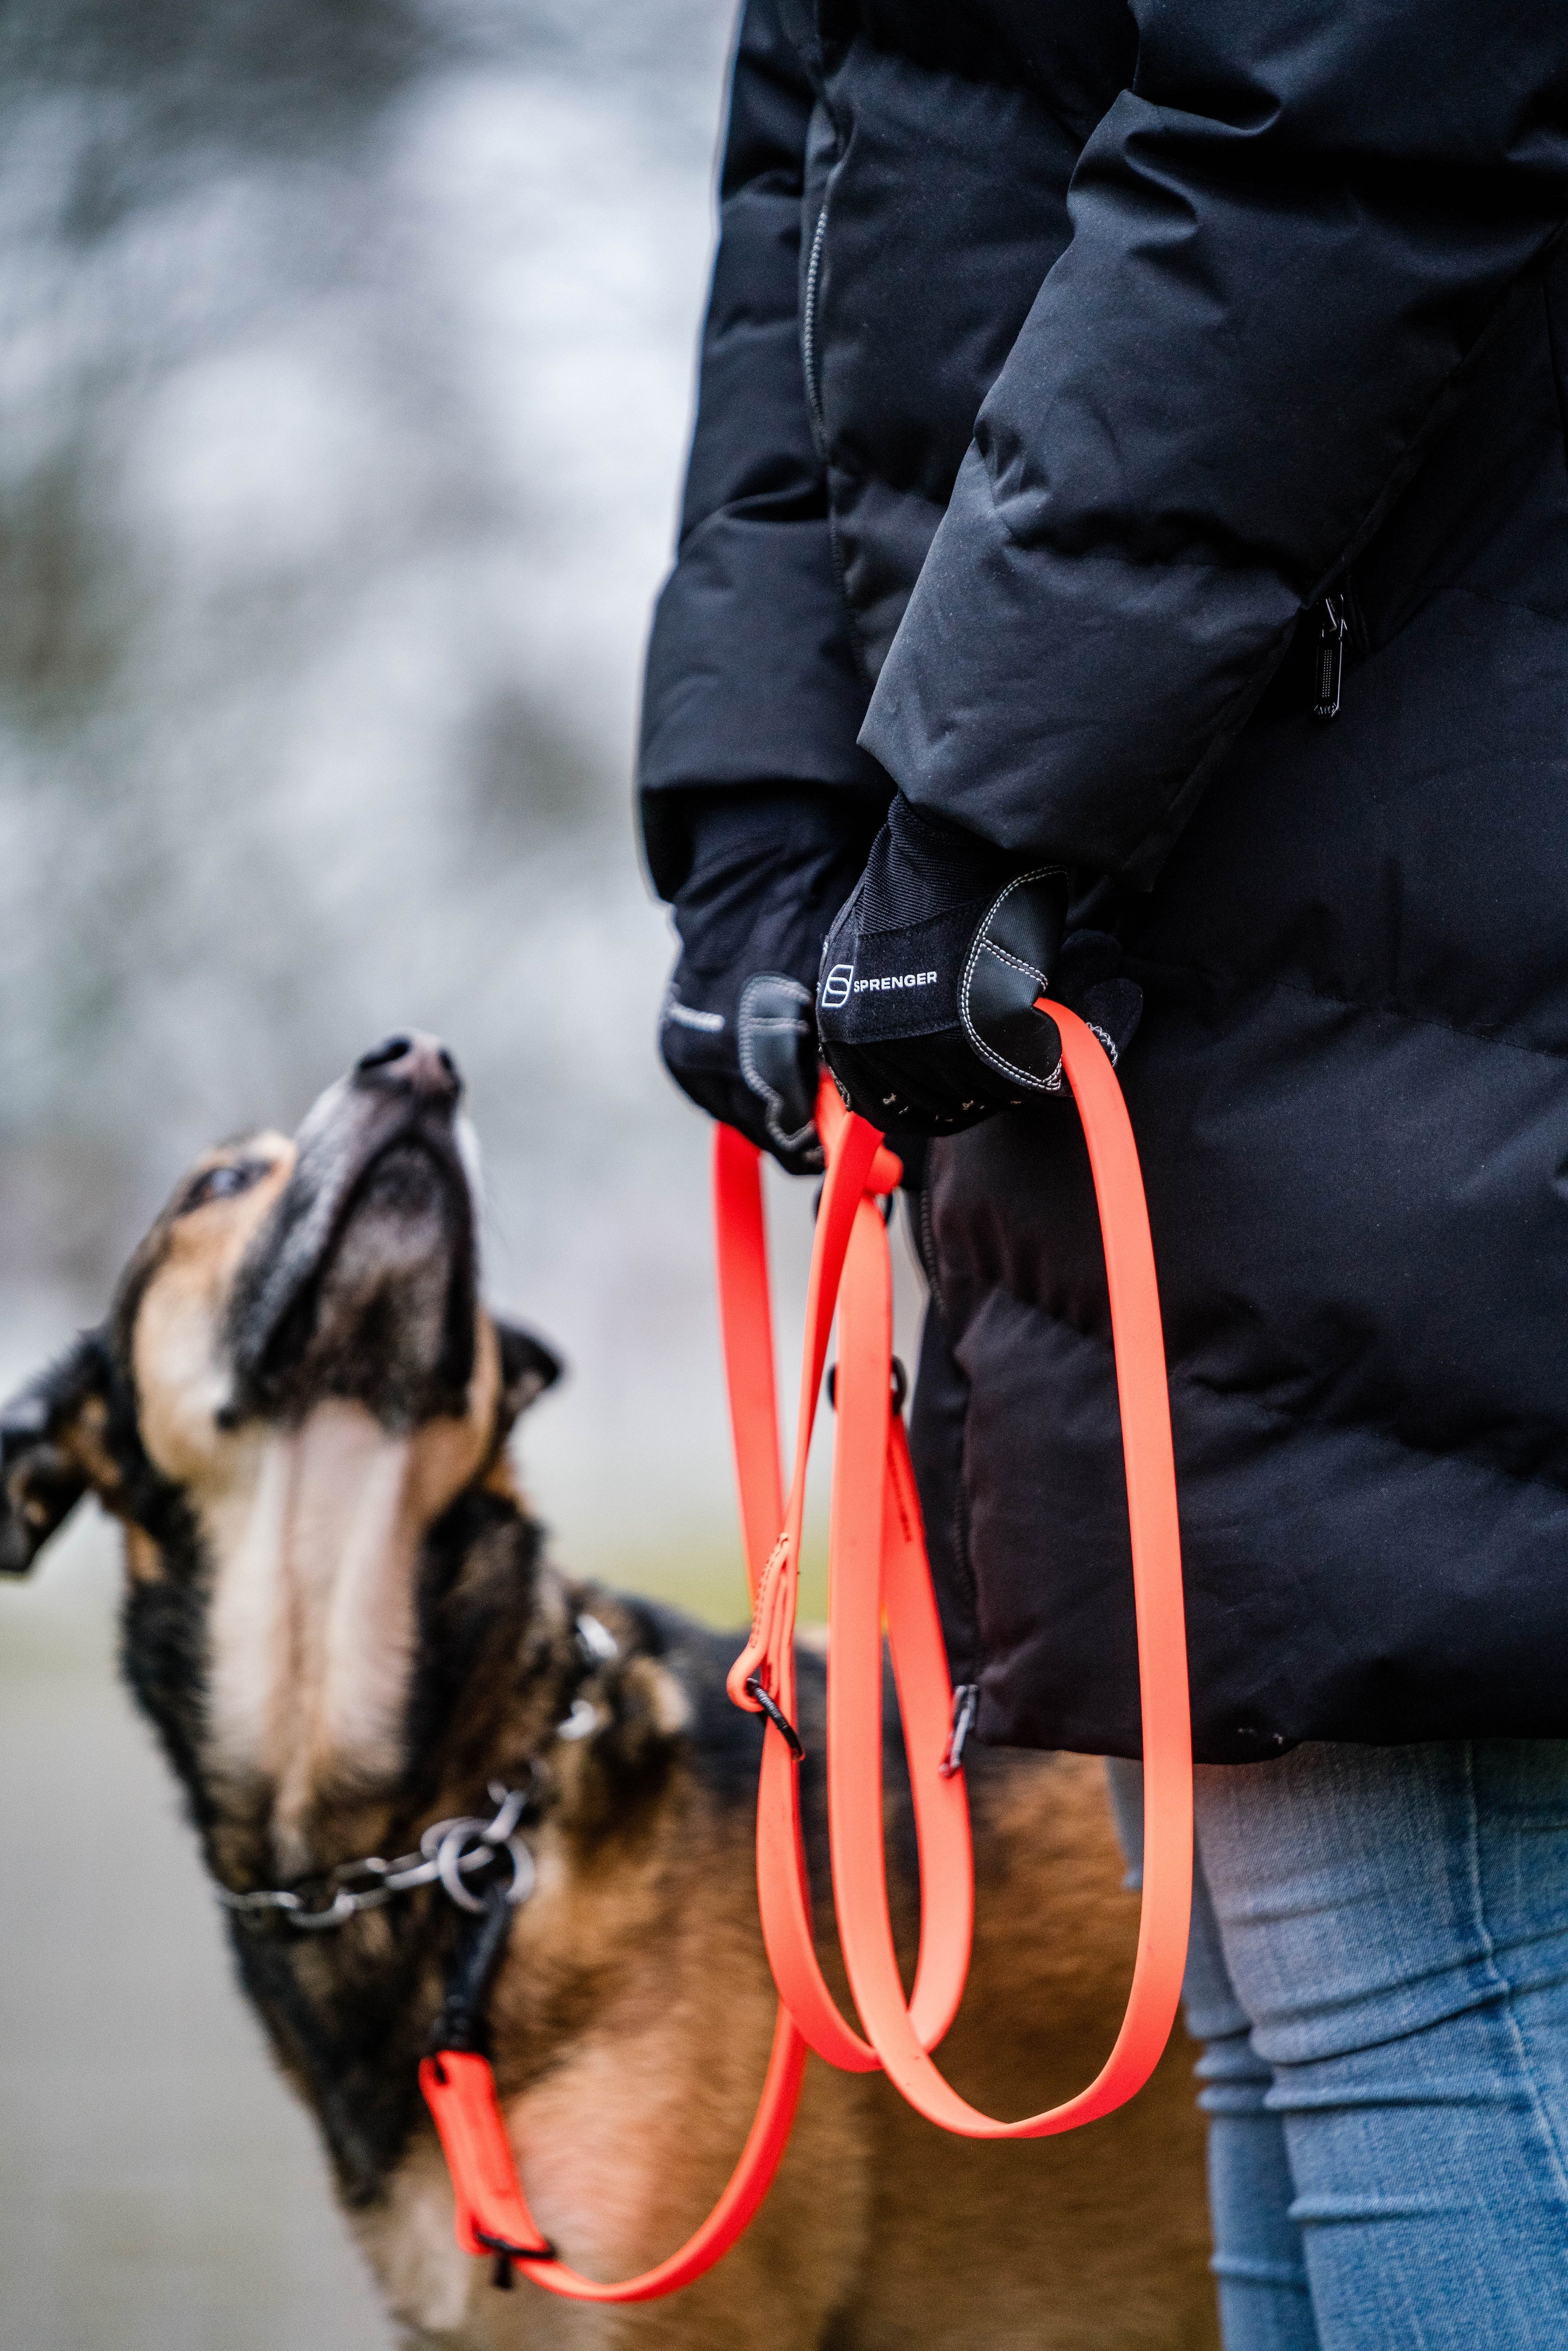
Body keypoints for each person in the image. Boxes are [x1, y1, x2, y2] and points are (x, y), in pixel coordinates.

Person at [638, 3, 1568, 2343]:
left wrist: (976, 793)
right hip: (1087, 872)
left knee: (1393, 1979)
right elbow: (814, 155)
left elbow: (1337, 101)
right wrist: (771, 796)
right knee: (1269, 2012)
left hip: (1344, 809)